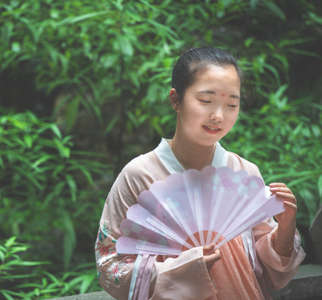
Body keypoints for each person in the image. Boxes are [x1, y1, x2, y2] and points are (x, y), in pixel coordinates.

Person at [94, 47, 305, 300]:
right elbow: (110, 267)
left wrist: (285, 228)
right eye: (206, 101)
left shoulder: (244, 172)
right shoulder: (140, 175)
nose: (218, 116)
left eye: (231, 104)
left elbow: (269, 272)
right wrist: (185, 267)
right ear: (175, 100)